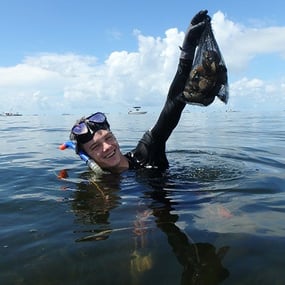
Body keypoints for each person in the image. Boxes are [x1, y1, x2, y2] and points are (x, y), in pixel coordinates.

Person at [70, 10, 211, 174]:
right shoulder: (96, 187)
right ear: (87, 156)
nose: (107, 147)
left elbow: (174, 104)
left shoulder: (146, 153)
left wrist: (188, 49)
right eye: (95, 146)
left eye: (108, 138)